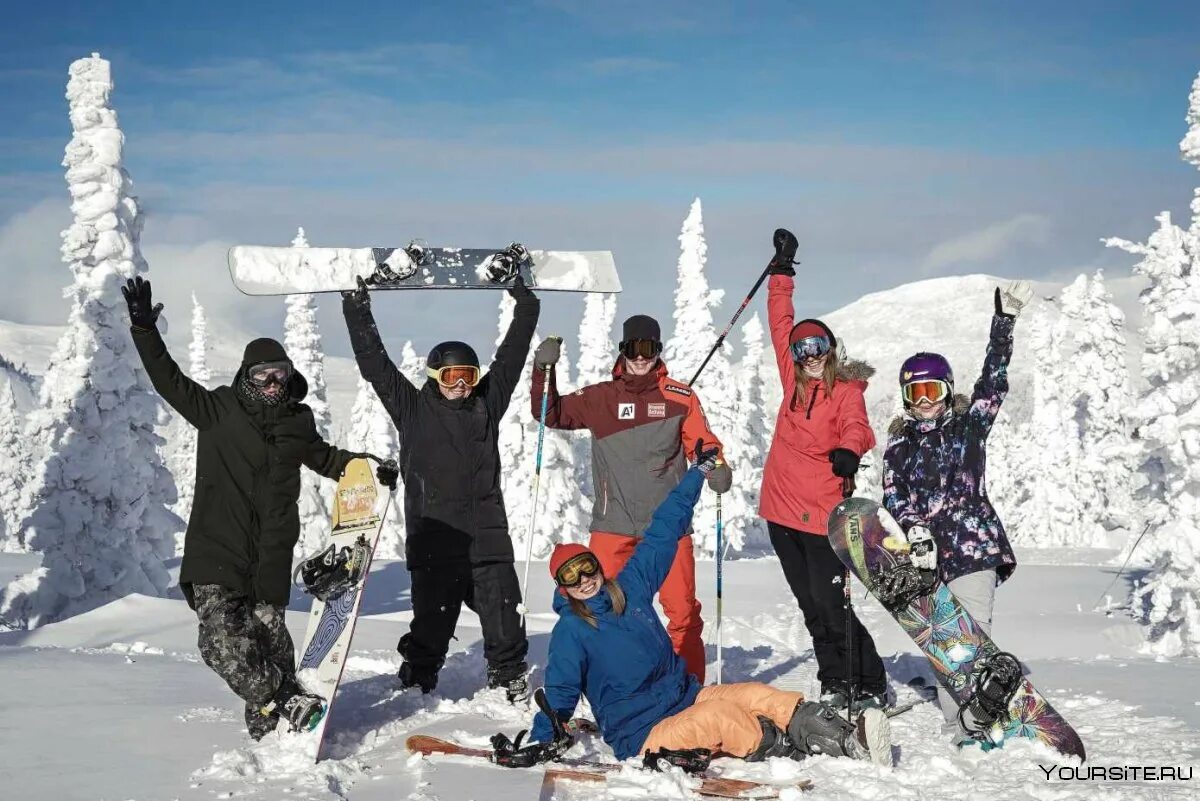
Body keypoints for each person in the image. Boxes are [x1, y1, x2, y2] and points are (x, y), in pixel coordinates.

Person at [489, 453, 892, 771]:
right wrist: (544, 738)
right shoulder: (572, 631)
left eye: (587, 568)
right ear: (563, 588)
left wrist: (695, 475)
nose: (583, 581)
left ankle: (844, 737)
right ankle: (779, 743)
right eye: (571, 577)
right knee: (723, 717)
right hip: (643, 733)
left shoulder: (630, 589)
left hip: (686, 697)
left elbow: (663, 532)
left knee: (756, 694)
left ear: (597, 566)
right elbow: (559, 691)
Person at [122, 276, 396, 740]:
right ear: (246, 377)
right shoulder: (218, 410)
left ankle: (272, 741)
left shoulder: (296, 420)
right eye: (262, 375)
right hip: (217, 553)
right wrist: (145, 331)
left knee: (271, 653)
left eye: (280, 375)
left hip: (269, 559)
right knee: (221, 645)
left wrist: (368, 469)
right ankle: (283, 702)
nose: (272, 383)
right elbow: (168, 381)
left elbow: (326, 458)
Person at [340, 274, 538, 703]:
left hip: (487, 538)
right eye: (452, 376)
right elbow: (375, 364)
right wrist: (357, 307)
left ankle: (508, 677)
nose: (461, 385)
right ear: (435, 376)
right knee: (433, 623)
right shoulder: (411, 408)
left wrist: (525, 301)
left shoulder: (487, 405)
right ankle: (418, 678)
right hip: (436, 540)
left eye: (468, 375)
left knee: (505, 616)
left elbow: (514, 355)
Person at [529, 314, 731, 684]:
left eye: (649, 349)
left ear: (658, 351)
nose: (641, 357)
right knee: (596, 607)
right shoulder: (600, 398)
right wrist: (544, 369)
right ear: (622, 351)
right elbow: (551, 412)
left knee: (683, 613)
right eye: (633, 349)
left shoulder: (680, 397)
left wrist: (717, 464)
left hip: (668, 528)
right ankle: (610, 684)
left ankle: (688, 690)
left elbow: (704, 444)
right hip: (613, 525)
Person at [882, 280, 1032, 737]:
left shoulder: (969, 428)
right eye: (915, 394)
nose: (925, 402)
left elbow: (993, 382)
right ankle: (959, 717)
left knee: (971, 637)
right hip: (928, 559)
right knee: (945, 642)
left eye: (932, 391)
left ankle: (976, 714)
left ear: (948, 391)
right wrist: (912, 528)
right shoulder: (899, 446)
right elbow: (894, 494)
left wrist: (1002, 325)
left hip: (974, 549)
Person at [758, 229, 889, 712]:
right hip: (780, 511)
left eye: (818, 346)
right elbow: (779, 322)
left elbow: (857, 427)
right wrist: (782, 270)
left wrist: (850, 453)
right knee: (811, 607)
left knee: (833, 605)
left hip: (820, 517)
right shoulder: (792, 380)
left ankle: (870, 678)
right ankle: (834, 679)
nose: (811, 355)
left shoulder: (845, 391)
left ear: (831, 349)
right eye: (802, 349)